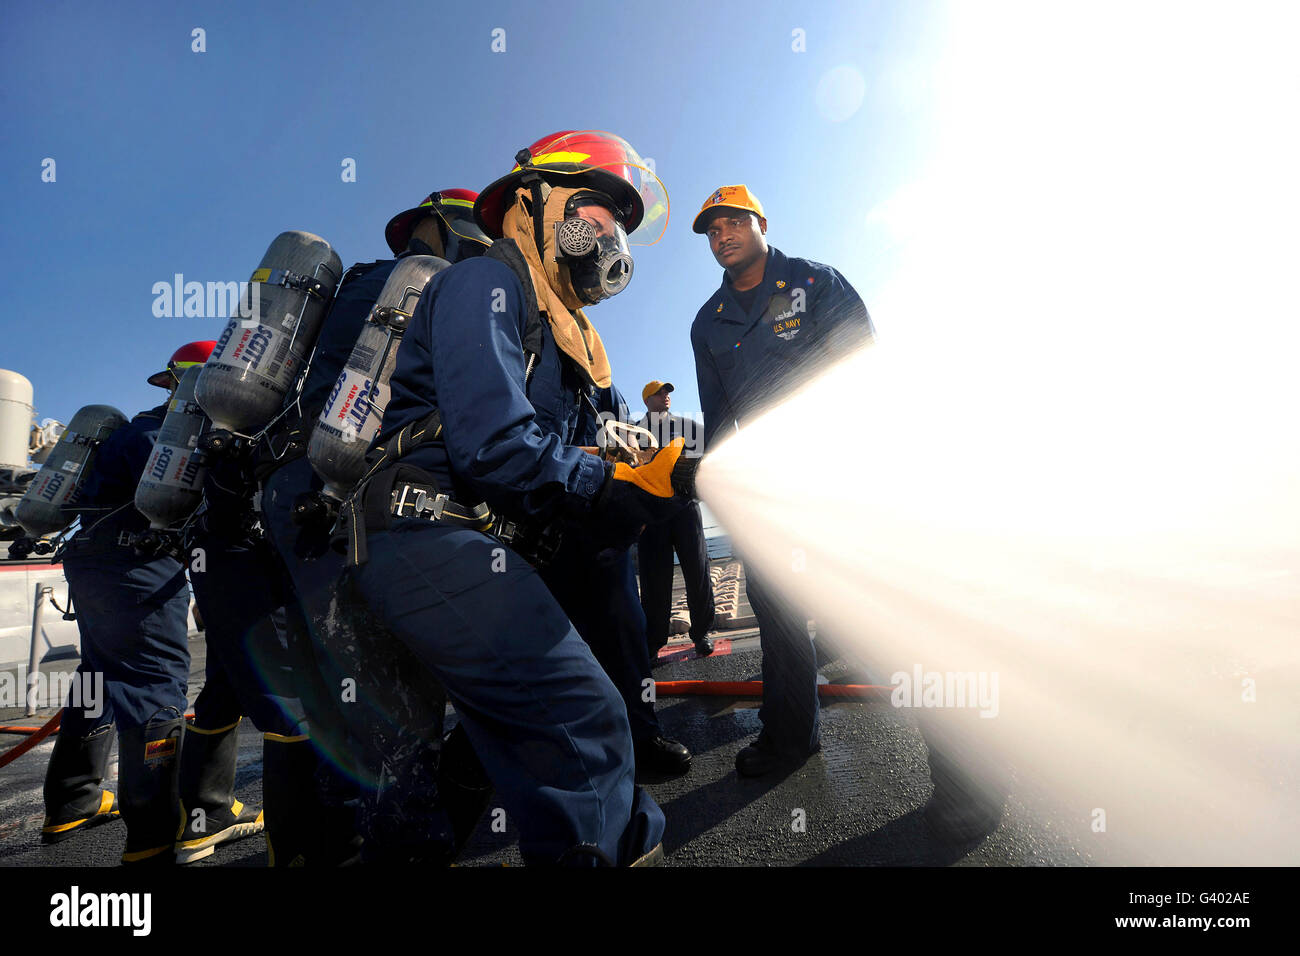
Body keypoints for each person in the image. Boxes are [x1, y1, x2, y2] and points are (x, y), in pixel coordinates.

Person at [336, 130, 687, 864]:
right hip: (421, 529)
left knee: (478, 759)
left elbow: (563, 457)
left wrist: (636, 476)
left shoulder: (566, 335)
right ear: (538, 199)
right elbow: (495, 446)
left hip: (464, 540)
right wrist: (605, 480)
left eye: (621, 225)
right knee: (580, 720)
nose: (610, 236)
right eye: (598, 213)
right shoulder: (486, 285)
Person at [260, 187, 496, 863]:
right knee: (402, 704)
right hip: (359, 498)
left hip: (291, 490)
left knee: (342, 693)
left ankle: (341, 840)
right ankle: (407, 851)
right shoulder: (431, 291)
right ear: (453, 230)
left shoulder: (347, 290)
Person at [689, 185, 874, 778]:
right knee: (775, 606)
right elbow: (716, 414)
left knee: (887, 593)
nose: (722, 237)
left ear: (761, 223)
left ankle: (962, 763)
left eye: (732, 224)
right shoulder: (707, 323)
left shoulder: (817, 283)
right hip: (767, 486)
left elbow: (863, 369)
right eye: (712, 232)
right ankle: (792, 735)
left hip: (840, 468)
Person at [40, 348, 197, 864]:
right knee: (156, 683)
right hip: (136, 568)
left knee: (98, 677)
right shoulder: (165, 439)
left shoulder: (129, 433)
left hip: (91, 565)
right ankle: (153, 834)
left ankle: (73, 800)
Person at [635, 380, 714, 658]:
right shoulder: (635, 432)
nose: (665, 396)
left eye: (667, 392)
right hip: (652, 513)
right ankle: (653, 643)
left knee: (698, 571)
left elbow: (708, 456)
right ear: (647, 400)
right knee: (654, 580)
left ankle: (701, 633)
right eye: (659, 393)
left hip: (685, 509)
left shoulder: (688, 426)